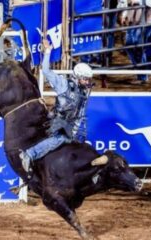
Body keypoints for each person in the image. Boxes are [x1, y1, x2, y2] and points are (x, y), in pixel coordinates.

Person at [19, 39, 94, 175]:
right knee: (60, 139)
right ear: (77, 77)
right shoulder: (63, 84)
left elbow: (80, 112)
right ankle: (29, 154)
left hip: (70, 125)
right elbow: (46, 71)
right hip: (58, 121)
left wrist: (76, 129)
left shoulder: (84, 93)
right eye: (85, 79)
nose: (88, 82)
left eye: (88, 79)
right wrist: (48, 52)